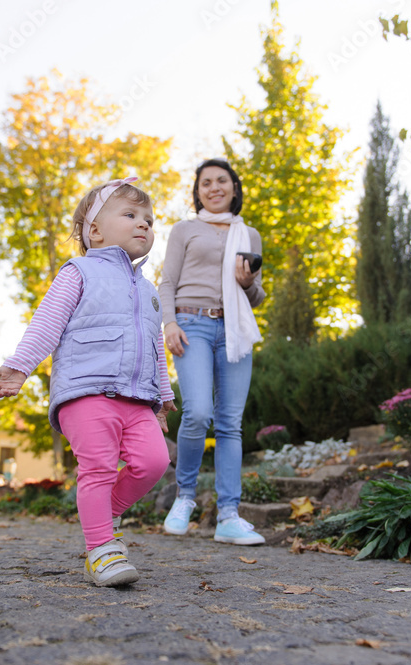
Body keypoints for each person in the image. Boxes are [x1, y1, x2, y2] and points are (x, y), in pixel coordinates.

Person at [0, 177, 176, 587]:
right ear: (95, 231)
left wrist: (162, 397)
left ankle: (104, 514)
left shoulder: (148, 290)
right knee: (99, 468)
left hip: (138, 398)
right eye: (130, 215)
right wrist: (20, 367)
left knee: (155, 462)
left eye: (149, 219)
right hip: (85, 393)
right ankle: (101, 550)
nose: (144, 224)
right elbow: (47, 323)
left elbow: (155, 346)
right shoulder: (79, 272)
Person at [159, 158, 266, 546]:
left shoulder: (249, 234)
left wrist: (246, 282)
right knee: (199, 411)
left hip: (234, 329)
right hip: (192, 326)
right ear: (198, 190)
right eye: (207, 182)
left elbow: (256, 296)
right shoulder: (185, 229)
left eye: (222, 180)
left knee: (230, 423)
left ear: (234, 188)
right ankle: (184, 497)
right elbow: (167, 282)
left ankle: (228, 516)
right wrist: (169, 323)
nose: (215, 187)